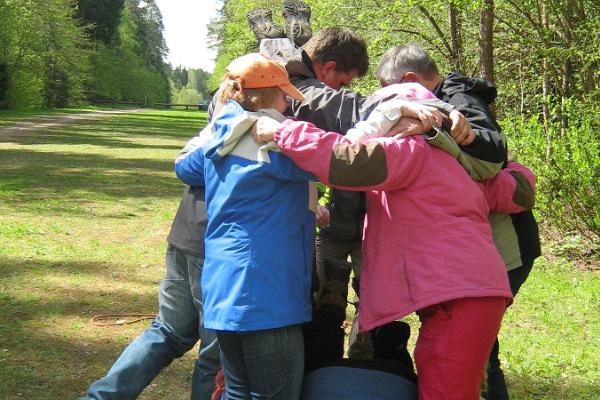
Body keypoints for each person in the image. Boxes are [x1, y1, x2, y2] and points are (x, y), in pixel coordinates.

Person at [251, 81, 536, 400]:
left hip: (461, 295)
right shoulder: (453, 161)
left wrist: (282, 131)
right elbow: (517, 191)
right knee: (439, 374)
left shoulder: (408, 148)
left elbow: (345, 160)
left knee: (446, 389)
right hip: (467, 292)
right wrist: (503, 164)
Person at [375, 44, 541, 400]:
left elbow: (493, 152)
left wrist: (443, 132)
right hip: (484, 246)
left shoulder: (454, 98)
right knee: (475, 351)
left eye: (390, 91)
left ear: (409, 81)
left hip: (502, 245)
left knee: (479, 355)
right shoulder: (447, 98)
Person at [174, 53, 316, 400]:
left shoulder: (220, 136)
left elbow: (186, 168)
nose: (288, 104)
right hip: (266, 293)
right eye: (285, 96)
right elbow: (338, 161)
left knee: (237, 392)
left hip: (224, 290)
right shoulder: (277, 139)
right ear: (269, 96)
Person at [80, 186, 221, 400]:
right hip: (219, 247)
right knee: (216, 356)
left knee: (167, 332)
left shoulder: (199, 152)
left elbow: (188, 164)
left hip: (188, 232)